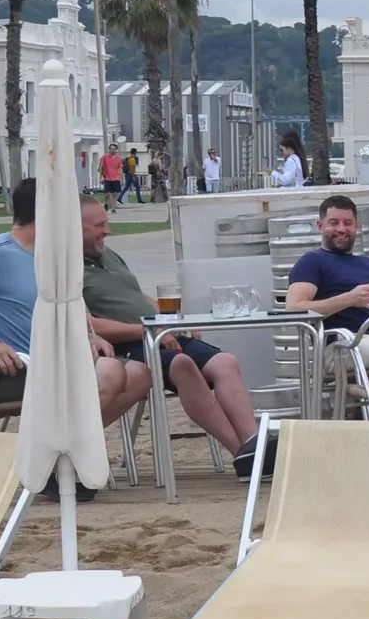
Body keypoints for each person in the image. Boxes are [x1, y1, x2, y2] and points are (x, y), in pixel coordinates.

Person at [0, 179, 151, 498]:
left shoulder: (55, 259)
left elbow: (71, 309)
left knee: (139, 375)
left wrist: (90, 335)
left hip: (58, 367)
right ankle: (50, 459)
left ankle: (59, 458)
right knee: (109, 372)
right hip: (9, 372)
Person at [80, 200, 264, 476]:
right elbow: (89, 325)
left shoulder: (108, 255)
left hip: (160, 332)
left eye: (106, 222)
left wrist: (173, 320)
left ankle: (253, 443)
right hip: (127, 345)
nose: (107, 231)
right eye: (99, 225)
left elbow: (135, 296)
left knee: (225, 361)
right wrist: (149, 330)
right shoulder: (67, 270)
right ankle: (242, 455)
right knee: (182, 365)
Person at [285, 193, 369, 378]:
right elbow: (294, 308)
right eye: (334, 223)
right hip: (343, 343)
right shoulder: (312, 261)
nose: (341, 228)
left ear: (356, 226)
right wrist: (350, 299)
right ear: (320, 226)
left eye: (347, 223)